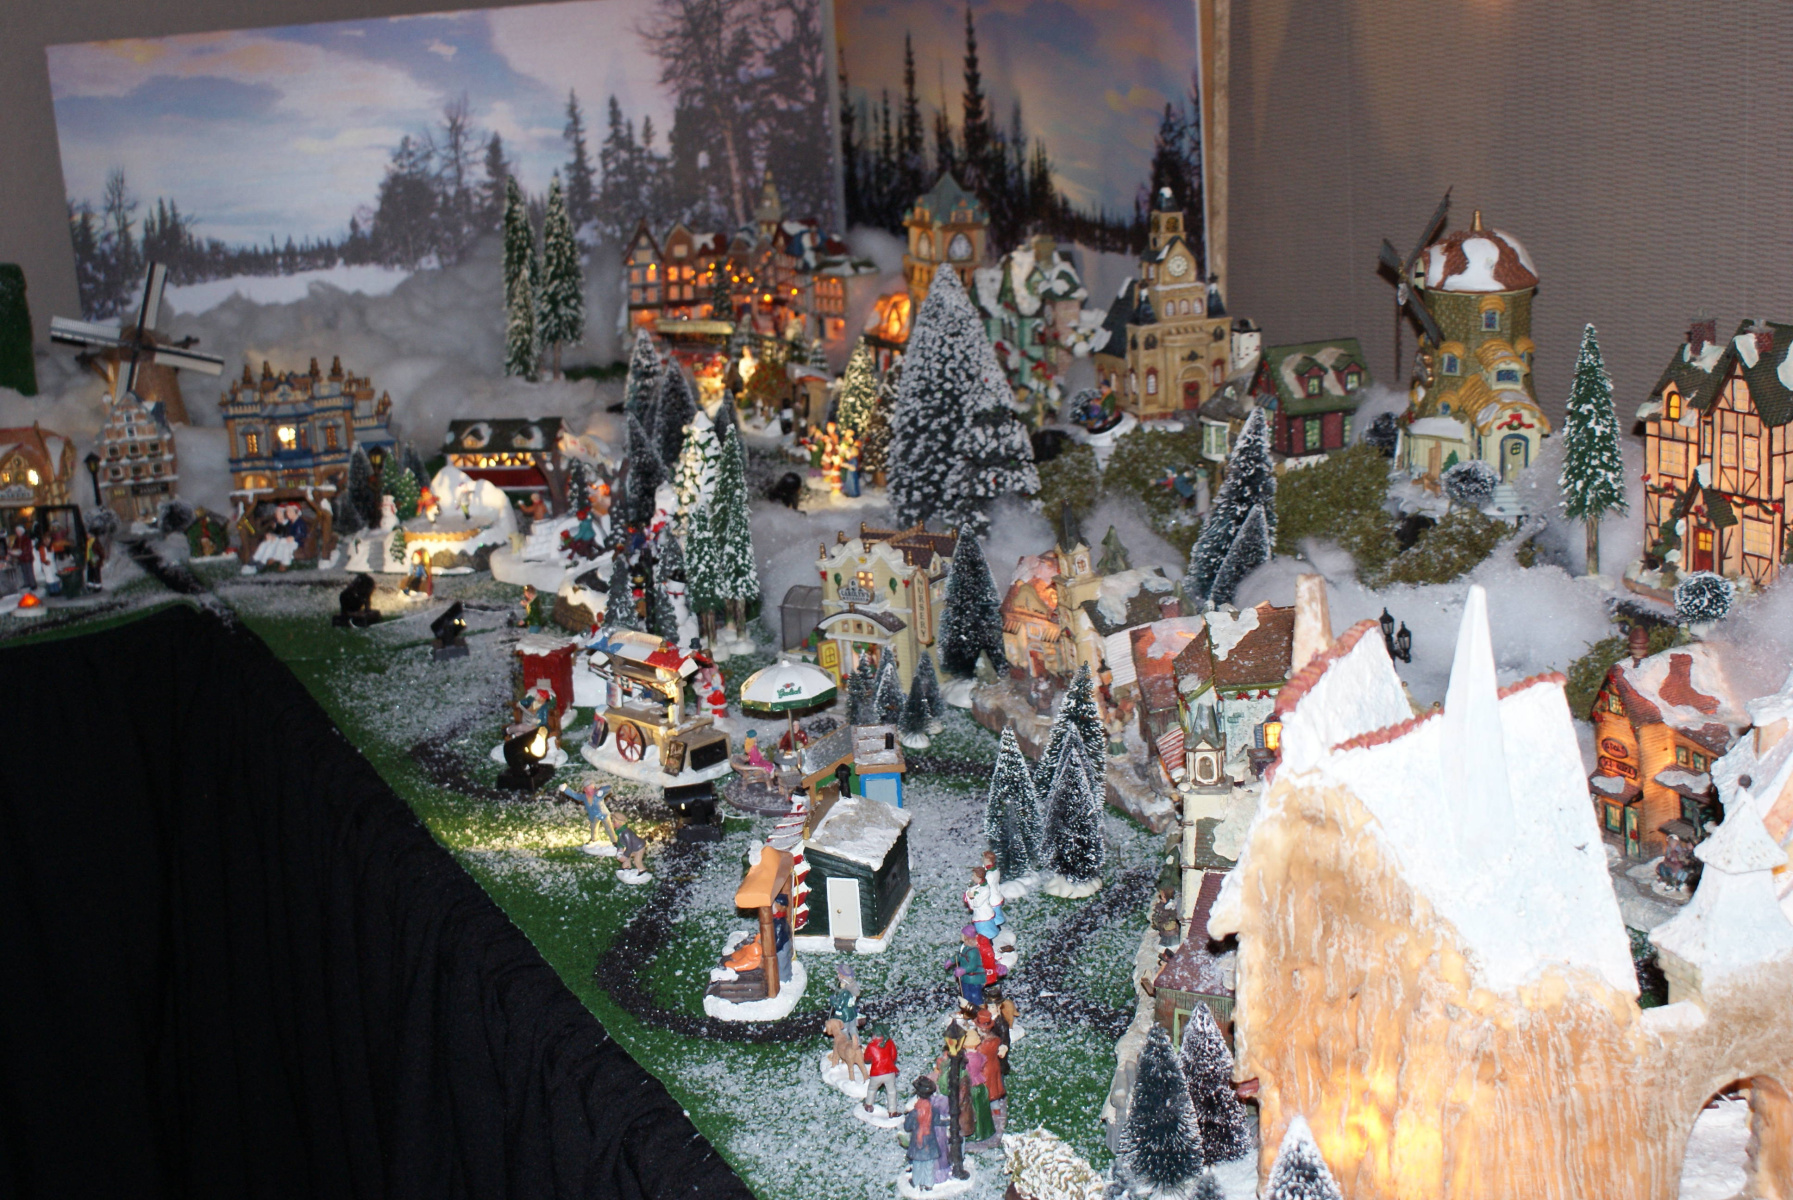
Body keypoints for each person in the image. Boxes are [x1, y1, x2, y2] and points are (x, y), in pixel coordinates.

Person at [902, 1076, 943, 1192]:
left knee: (917, 1163)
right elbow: (937, 1122)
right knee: (929, 1163)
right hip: (930, 1141)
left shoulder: (914, 1112)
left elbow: (907, 1127)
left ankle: (916, 1181)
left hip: (917, 1142)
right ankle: (929, 1183)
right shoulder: (934, 1110)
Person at [961, 1027, 996, 1146]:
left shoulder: (967, 1059)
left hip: (972, 1086)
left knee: (973, 1110)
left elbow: (966, 1072)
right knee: (983, 1109)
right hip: (980, 1084)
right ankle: (987, 1130)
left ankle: (977, 1132)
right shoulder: (979, 1056)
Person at [862, 1025, 901, 1119]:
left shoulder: (871, 1045)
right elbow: (894, 1056)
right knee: (891, 1091)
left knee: (872, 1089)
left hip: (876, 1073)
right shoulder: (890, 1042)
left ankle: (868, 1105)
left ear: (875, 1035)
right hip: (889, 1072)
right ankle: (892, 1111)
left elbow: (866, 1059)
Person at [950, 929, 988, 1009]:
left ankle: (979, 1011)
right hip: (965, 978)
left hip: (974, 978)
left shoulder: (974, 951)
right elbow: (960, 955)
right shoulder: (965, 948)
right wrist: (951, 960)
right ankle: (968, 1010)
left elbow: (972, 965)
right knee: (966, 996)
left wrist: (963, 970)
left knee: (975, 996)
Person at [964, 866, 1001, 942]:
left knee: (985, 933)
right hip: (980, 914)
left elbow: (977, 903)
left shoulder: (985, 890)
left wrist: (971, 897)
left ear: (978, 877)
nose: (972, 878)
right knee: (983, 931)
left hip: (983, 915)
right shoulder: (979, 886)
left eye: (973, 876)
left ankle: (987, 943)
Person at [771, 893, 793, 982]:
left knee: (782, 963)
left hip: (781, 947)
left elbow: (778, 937)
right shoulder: (780, 919)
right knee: (785, 962)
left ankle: (783, 980)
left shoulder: (778, 922)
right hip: (785, 943)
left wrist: (775, 948)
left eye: (774, 905)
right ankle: (787, 977)